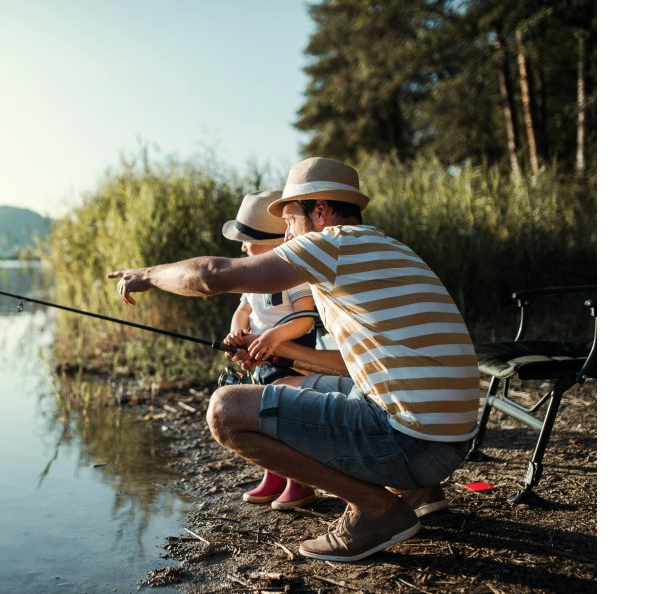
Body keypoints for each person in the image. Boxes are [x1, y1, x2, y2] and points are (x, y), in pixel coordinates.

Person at [107, 157, 479, 562]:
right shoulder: (387, 249)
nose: (286, 234)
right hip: (450, 441)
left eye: (290, 219)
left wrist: (148, 273)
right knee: (290, 384)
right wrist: (278, 349)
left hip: (414, 445)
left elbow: (212, 275)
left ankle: (377, 510)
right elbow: (353, 366)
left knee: (226, 410)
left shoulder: (330, 244)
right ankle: (415, 490)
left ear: (319, 211)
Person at [219, 190, 319, 510]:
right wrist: (238, 331)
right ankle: (273, 473)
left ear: (276, 242)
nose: (243, 246)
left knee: (283, 416)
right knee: (262, 415)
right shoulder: (253, 278)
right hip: (260, 358)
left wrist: (275, 337)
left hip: (291, 355)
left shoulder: (294, 276)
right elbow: (243, 311)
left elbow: (305, 320)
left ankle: (299, 481)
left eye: (249, 239)